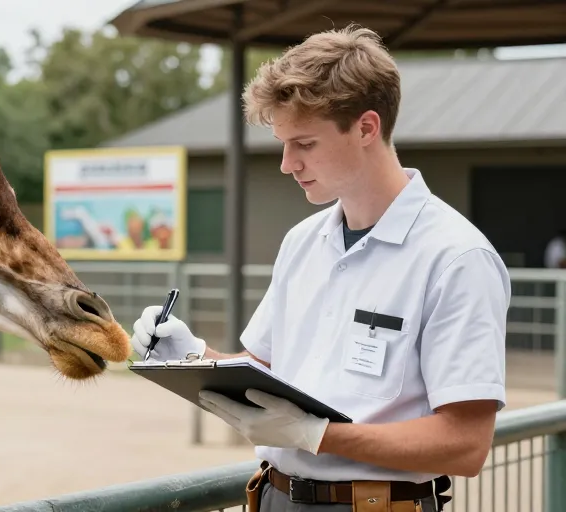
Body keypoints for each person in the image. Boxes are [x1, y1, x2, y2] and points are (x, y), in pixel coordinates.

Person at [130, 24, 510, 512]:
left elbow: (465, 445)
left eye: (304, 144)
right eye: (283, 143)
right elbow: (265, 373)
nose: (287, 163)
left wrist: (318, 435)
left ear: (366, 128)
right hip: (272, 496)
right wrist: (192, 357)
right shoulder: (302, 241)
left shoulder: (457, 258)